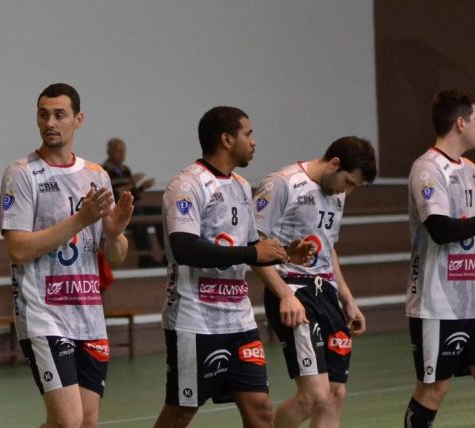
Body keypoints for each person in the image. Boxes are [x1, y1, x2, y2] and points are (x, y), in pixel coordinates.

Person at [154, 106, 312, 428]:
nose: (253, 142)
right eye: (248, 134)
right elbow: (185, 249)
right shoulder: (186, 185)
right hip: (194, 321)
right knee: (180, 414)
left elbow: (251, 247)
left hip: (239, 322)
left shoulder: (241, 185)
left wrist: (284, 254)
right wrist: (253, 254)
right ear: (227, 139)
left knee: (261, 412)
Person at [1, 83, 132, 428]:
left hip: (88, 315)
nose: (51, 123)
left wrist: (115, 233)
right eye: (44, 115)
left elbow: (116, 256)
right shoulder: (22, 173)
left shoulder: (96, 176)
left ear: (78, 119)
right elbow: (17, 248)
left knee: (86, 422)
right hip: (44, 314)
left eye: (60, 115)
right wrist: (80, 219)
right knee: (68, 420)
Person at [252, 137, 376, 427]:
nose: (348, 191)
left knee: (336, 393)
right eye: (348, 182)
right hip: (294, 291)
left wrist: (347, 298)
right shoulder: (282, 184)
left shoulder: (338, 194)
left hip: (327, 293)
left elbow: (327, 245)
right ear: (334, 163)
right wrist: (284, 294)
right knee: (314, 396)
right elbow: (255, 245)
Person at [403, 89, 475, 428]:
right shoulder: (428, 169)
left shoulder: (471, 169)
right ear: (461, 122)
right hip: (437, 302)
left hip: (472, 299)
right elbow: (441, 229)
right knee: (434, 389)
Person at [102, 137, 163, 267]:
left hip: (130, 207)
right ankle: (145, 257)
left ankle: (166, 254)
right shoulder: (103, 171)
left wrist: (142, 188)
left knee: (159, 211)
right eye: (118, 151)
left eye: (123, 151)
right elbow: (112, 197)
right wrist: (132, 183)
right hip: (116, 212)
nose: (122, 155)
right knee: (137, 212)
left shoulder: (125, 170)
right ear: (109, 152)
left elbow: (132, 195)